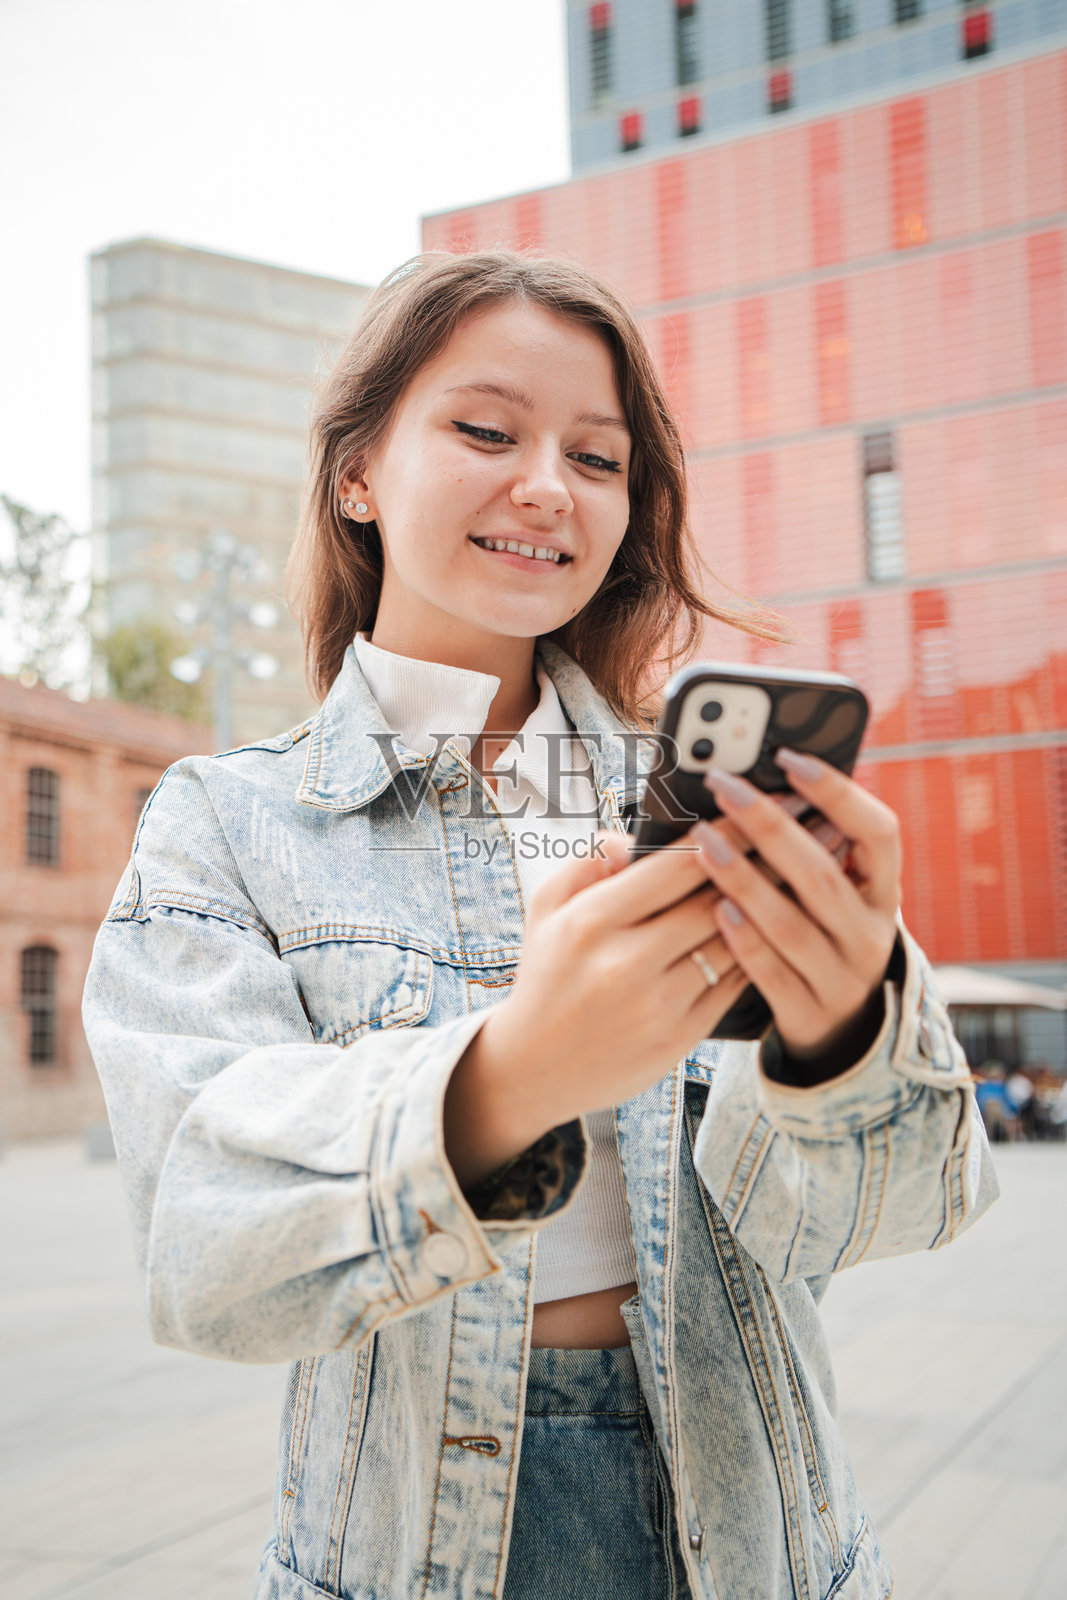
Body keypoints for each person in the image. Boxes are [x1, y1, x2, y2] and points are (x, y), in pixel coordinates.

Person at [82, 251, 1000, 1600]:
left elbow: (905, 1207)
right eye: (485, 430)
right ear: (356, 474)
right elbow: (206, 1252)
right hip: (418, 1553)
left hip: (750, 1538)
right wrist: (517, 1074)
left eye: (598, 457)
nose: (547, 488)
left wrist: (844, 1026)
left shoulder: (706, 803)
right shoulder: (227, 823)